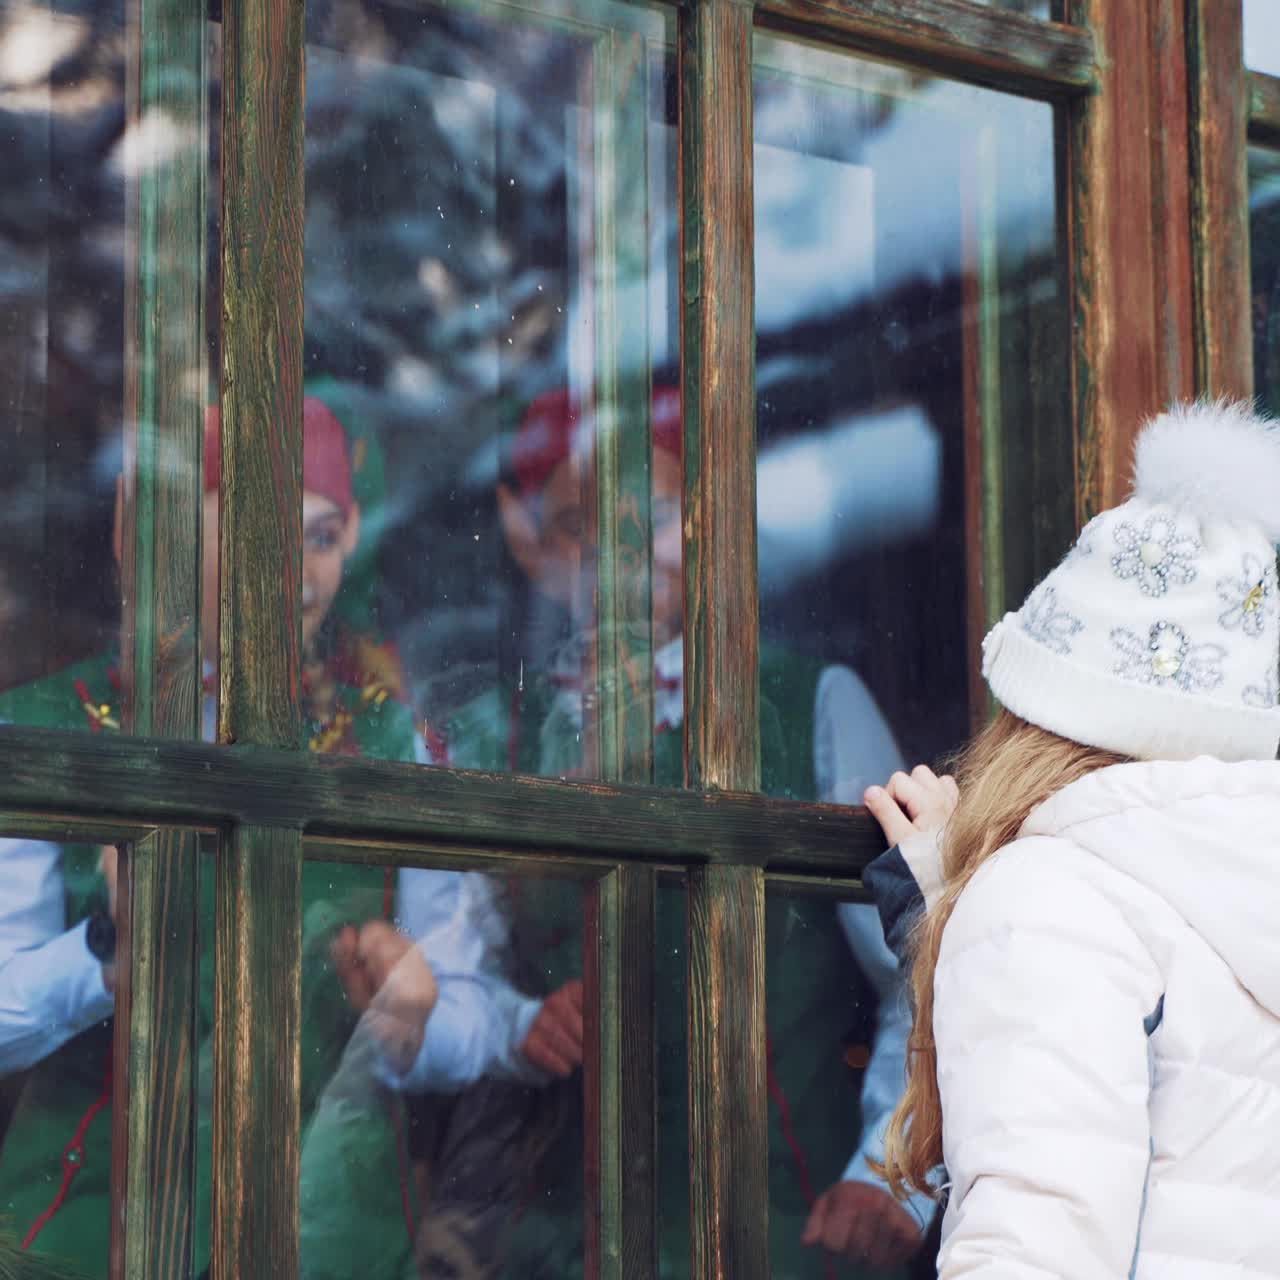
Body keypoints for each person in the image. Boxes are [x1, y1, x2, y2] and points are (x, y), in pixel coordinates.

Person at [0, 396, 546, 1280]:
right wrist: (103, 957)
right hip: (84, 1235)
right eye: (259, 531)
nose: (298, 573)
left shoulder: (394, 742)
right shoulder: (43, 726)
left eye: (322, 538)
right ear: (154, 531)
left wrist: (411, 1016)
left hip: (327, 1237)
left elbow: (474, 1005)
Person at [442, 385, 934, 1275]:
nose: (622, 554)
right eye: (583, 525)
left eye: (655, 517)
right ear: (540, 551)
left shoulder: (808, 702)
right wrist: (519, 1022)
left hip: (779, 1227)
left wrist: (889, 1173)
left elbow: (921, 960)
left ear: (707, 527)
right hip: (549, 1241)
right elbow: (438, 981)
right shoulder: (486, 735)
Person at [862, 400, 1280, 1276]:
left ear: (1039, 713)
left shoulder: (1043, 903)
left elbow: (1033, 1247)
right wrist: (952, 911)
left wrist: (981, 913)